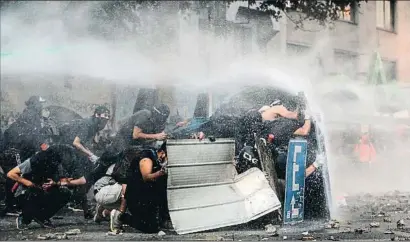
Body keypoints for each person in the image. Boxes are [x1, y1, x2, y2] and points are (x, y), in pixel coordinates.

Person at [6, 146, 73, 229]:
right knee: (32, 194)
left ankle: (43, 216)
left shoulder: (56, 164)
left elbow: (62, 179)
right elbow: (11, 174)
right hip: (25, 190)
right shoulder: (34, 161)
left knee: (65, 193)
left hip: (43, 189)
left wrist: (54, 183)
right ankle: (24, 217)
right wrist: (29, 183)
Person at [109, 142, 168, 234]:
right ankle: (121, 217)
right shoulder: (147, 158)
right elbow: (146, 176)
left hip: (148, 196)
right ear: (162, 153)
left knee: (154, 224)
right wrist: (161, 172)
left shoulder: (157, 159)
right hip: (136, 196)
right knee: (150, 228)